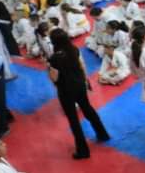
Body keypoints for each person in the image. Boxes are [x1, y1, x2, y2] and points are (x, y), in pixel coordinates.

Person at [47, 28, 111, 159]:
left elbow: (54, 78)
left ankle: (83, 150)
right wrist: (85, 81)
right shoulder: (74, 49)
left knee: (73, 119)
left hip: (66, 89)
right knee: (87, 108)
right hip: (79, 85)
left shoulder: (54, 58)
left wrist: (48, 68)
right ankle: (102, 133)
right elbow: (82, 66)